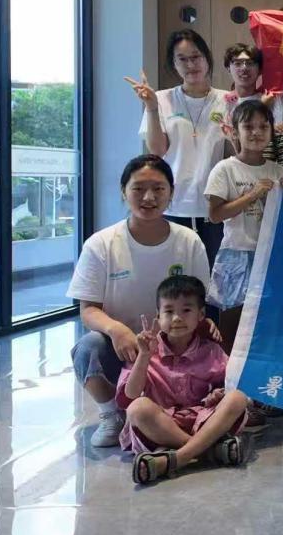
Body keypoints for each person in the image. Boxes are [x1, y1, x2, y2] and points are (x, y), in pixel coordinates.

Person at [67, 155, 211, 448]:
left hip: (174, 345)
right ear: (124, 192)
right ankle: (112, 414)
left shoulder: (189, 241)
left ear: (171, 193)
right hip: (124, 347)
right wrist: (117, 330)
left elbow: (200, 304)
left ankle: (175, 408)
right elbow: (88, 309)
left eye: (158, 188)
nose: (149, 197)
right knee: (87, 348)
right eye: (139, 188)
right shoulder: (101, 244)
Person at [122, 275, 250, 485]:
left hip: (204, 421)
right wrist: (144, 356)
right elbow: (131, 393)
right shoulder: (146, 349)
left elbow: (230, 385)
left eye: (186, 310)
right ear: (158, 316)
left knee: (237, 397)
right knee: (137, 408)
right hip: (163, 426)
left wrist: (217, 395)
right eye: (169, 311)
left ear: (201, 315)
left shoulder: (211, 351)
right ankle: (207, 451)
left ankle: (176, 458)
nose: (177, 318)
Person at [126, 28, 231, 265]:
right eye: (182, 59)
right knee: (173, 276)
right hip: (172, 205)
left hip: (213, 207)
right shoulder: (161, 99)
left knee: (211, 277)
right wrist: (152, 108)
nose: (190, 65)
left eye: (196, 57)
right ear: (174, 64)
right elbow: (157, 150)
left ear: (207, 58)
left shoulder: (227, 100)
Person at [205, 100, 283, 350]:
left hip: (271, 256)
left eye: (263, 127)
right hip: (237, 252)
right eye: (248, 126)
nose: (256, 132)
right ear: (235, 132)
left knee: (269, 323)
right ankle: (228, 371)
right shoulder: (225, 169)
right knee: (232, 325)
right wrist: (252, 195)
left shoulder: (278, 171)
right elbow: (215, 215)